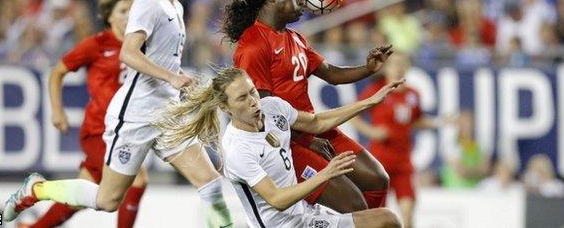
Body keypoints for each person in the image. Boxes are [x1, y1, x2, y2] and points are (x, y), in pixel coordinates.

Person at [3, 0, 232, 227]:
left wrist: (177, 81)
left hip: (168, 113)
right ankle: (36, 190)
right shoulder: (147, 3)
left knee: (210, 183)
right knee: (107, 201)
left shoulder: (176, 6)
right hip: (136, 114)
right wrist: (171, 77)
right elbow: (129, 53)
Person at [222, 0, 393, 212]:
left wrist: (368, 69)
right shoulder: (253, 44)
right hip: (287, 143)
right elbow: (262, 110)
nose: (302, 2)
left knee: (377, 179)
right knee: (354, 203)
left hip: (314, 129)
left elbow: (331, 73)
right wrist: (303, 140)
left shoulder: (295, 38)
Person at [154, 67, 402, 228]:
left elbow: (316, 122)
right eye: (242, 98)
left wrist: (369, 102)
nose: (253, 101)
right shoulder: (237, 149)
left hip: (307, 217)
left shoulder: (273, 108)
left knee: (387, 220)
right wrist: (326, 173)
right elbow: (277, 199)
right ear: (225, 108)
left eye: (252, 92)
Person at [29, 0, 146, 228]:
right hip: (99, 130)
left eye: (132, 10)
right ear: (109, 16)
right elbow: (57, 72)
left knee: (81, 195)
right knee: (136, 179)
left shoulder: (142, 45)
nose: (128, 15)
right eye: (123, 10)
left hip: (126, 130)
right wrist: (57, 109)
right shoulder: (97, 44)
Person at [350, 53, 455, 227]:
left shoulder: (413, 95)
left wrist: (440, 121)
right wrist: (371, 131)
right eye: (394, 64)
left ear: (407, 68)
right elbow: (353, 113)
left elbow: (417, 121)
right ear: (387, 69)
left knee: (408, 212)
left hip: (403, 162)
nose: (398, 68)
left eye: (402, 64)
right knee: (381, 215)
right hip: (380, 162)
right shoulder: (378, 90)